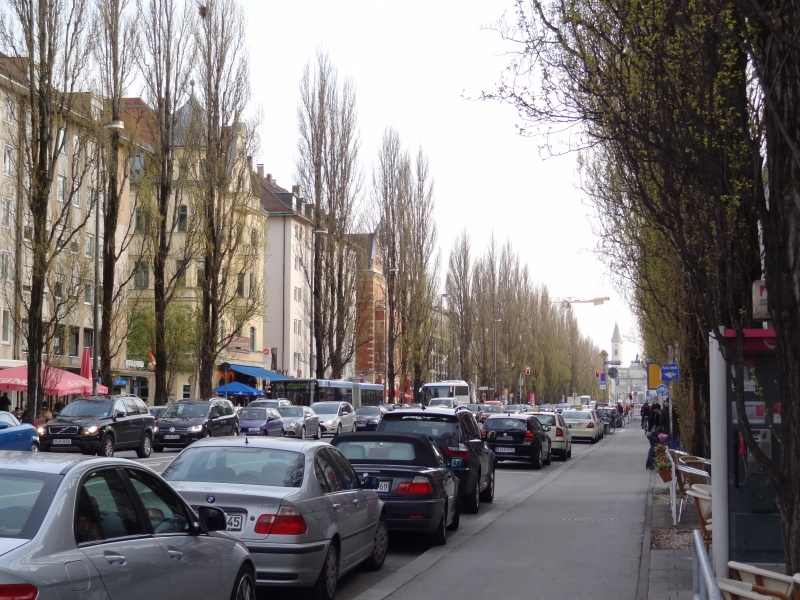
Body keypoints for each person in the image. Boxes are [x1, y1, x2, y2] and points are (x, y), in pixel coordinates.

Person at [645, 403, 662, 469]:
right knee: (653, 449)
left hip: (649, 433)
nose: (660, 410)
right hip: (652, 433)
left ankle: (649, 464)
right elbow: (658, 423)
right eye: (659, 409)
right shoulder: (656, 415)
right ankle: (649, 464)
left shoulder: (651, 413)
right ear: (656, 409)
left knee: (653, 449)